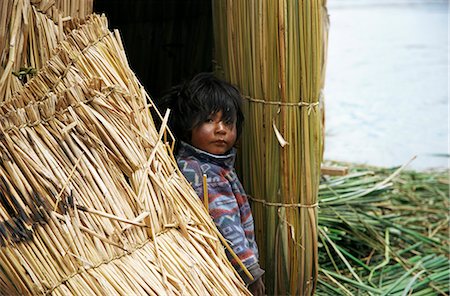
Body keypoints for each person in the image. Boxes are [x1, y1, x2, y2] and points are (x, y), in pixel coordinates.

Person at [159, 72, 265, 295]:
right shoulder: (204, 173)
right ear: (187, 126)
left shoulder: (211, 165)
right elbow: (226, 225)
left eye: (228, 122)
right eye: (209, 120)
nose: (221, 129)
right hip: (227, 269)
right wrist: (250, 272)